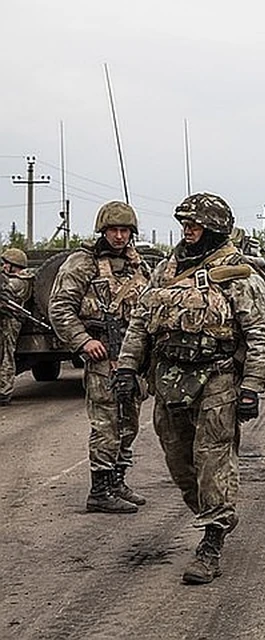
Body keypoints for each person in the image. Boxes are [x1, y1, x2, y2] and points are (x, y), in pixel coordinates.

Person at [113, 192, 265, 584]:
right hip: (168, 380)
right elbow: (140, 321)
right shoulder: (166, 270)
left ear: (215, 227)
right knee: (179, 463)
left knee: (212, 461)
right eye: (185, 223)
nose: (188, 230)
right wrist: (126, 366)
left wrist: (252, 386)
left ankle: (212, 539)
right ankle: (214, 513)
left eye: (196, 224)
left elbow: (262, 333)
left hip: (216, 380)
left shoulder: (238, 273)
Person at [48, 201, 152, 513]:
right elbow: (60, 307)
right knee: (107, 422)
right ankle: (99, 490)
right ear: (102, 231)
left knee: (129, 422)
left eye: (124, 230)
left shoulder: (137, 265)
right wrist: (83, 341)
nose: (119, 236)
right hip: (102, 354)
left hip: (132, 357)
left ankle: (117, 480)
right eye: (113, 230)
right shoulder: (82, 263)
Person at [0, 248, 33, 406]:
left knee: (6, 355)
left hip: (11, 321)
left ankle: (3, 391)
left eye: (6, 264)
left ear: (13, 265)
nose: (4, 267)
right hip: (5, 319)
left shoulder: (21, 280)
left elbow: (7, 288)